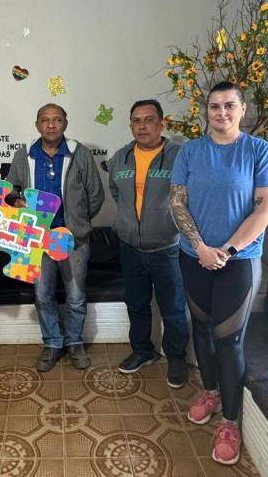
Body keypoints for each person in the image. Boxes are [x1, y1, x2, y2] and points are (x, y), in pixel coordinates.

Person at [170, 82, 268, 465]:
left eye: (229, 105)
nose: (221, 113)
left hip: (239, 262)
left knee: (229, 340)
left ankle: (230, 422)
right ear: (206, 110)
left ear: (242, 108)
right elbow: (177, 202)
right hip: (194, 256)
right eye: (214, 106)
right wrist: (201, 247)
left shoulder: (259, 151)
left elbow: (265, 211)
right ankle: (211, 392)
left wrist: (227, 250)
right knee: (201, 329)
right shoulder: (190, 151)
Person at [6, 103, 105, 372]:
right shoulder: (25, 154)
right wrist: (15, 202)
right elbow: (10, 191)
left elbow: (96, 195)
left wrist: (78, 224)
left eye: (57, 119)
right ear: (37, 124)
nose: (51, 125)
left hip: (73, 240)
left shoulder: (78, 153)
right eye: (45, 120)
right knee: (42, 295)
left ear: (65, 123)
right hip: (37, 240)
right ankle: (52, 343)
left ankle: (74, 343)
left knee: (76, 295)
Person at [107, 100, 189, 388]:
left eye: (149, 120)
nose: (142, 126)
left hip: (168, 249)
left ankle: (176, 357)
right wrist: (129, 222)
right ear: (131, 125)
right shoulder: (120, 157)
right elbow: (116, 192)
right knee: (137, 304)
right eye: (136, 121)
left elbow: (189, 195)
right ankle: (143, 351)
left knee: (173, 308)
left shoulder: (179, 156)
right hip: (130, 248)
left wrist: (166, 222)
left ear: (161, 123)